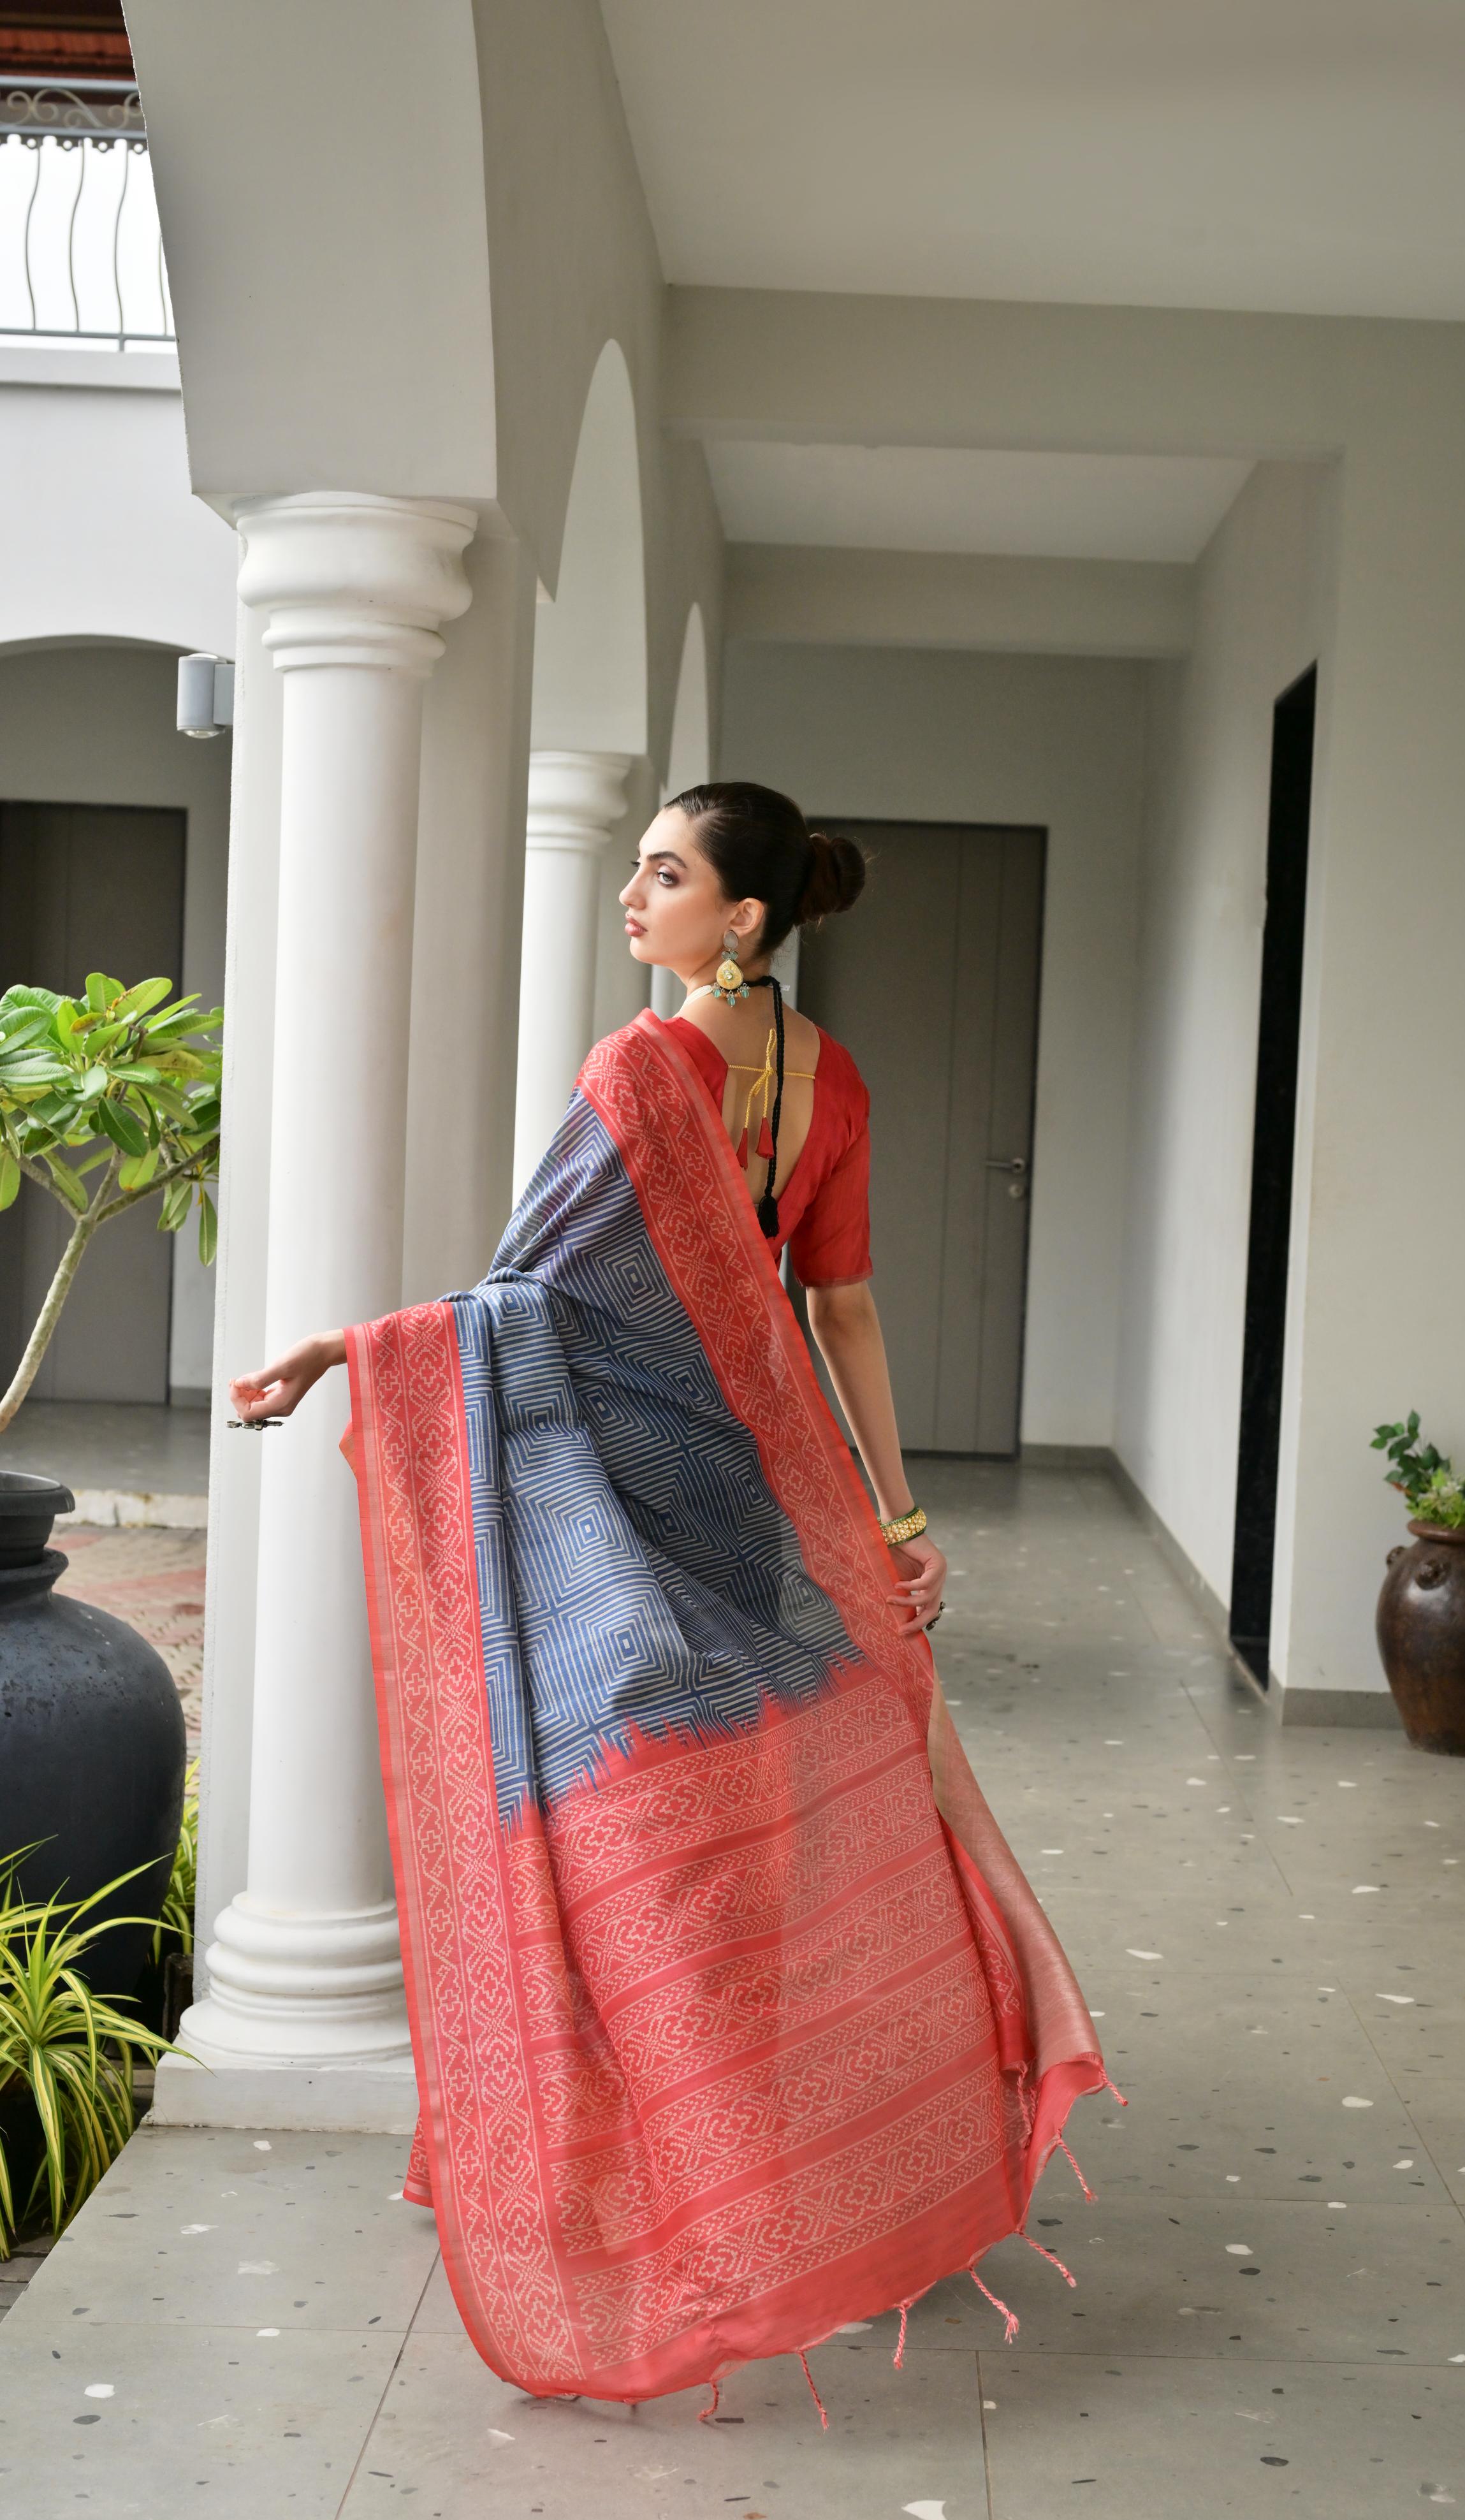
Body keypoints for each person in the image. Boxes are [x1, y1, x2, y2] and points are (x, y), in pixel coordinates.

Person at [230, 780, 1106, 2415]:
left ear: (741, 916)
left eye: (662, 874)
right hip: (753, 1490)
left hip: (622, 1502)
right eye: (634, 869)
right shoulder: (830, 1077)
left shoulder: (638, 1066)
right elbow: (840, 1311)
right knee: (760, 1826)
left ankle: (645, 2172)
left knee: (612, 1833)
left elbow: (526, 1299)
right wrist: (891, 1511)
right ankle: (777, 2162)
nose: (632, 898)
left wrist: (350, 1349)